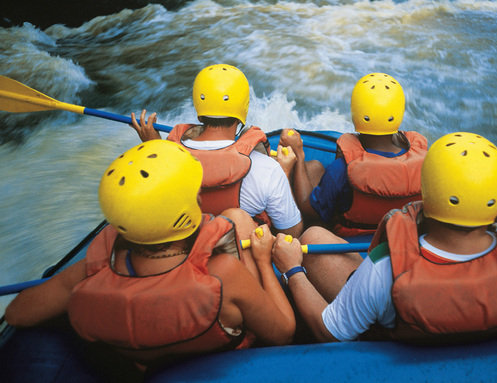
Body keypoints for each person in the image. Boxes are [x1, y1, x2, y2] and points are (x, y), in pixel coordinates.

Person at [5, 140, 295, 369]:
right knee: (238, 218)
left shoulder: (89, 273)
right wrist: (262, 261)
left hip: (144, 362)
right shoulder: (223, 274)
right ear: (194, 202)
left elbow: (17, 314)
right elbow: (282, 334)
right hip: (229, 358)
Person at [271, 132, 497, 343]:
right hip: (496, 350)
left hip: (393, 344)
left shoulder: (384, 268)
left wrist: (292, 269)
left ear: (425, 188)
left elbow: (329, 331)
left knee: (313, 236)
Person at [130, 64, 303, 238]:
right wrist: (285, 172)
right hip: (239, 258)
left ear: (198, 103)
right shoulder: (267, 170)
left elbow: (158, 185)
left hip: (184, 250)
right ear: (244, 106)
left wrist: (153, 145)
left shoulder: (166, 160)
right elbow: (291, 232)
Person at [279, 72, 428, 236]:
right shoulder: (425, 164)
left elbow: (307, 208)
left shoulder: (342, 169)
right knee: (315, 168)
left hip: (350, 239)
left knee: (311, 170)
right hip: (399, 234)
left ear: (355, 113)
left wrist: (299, 156)